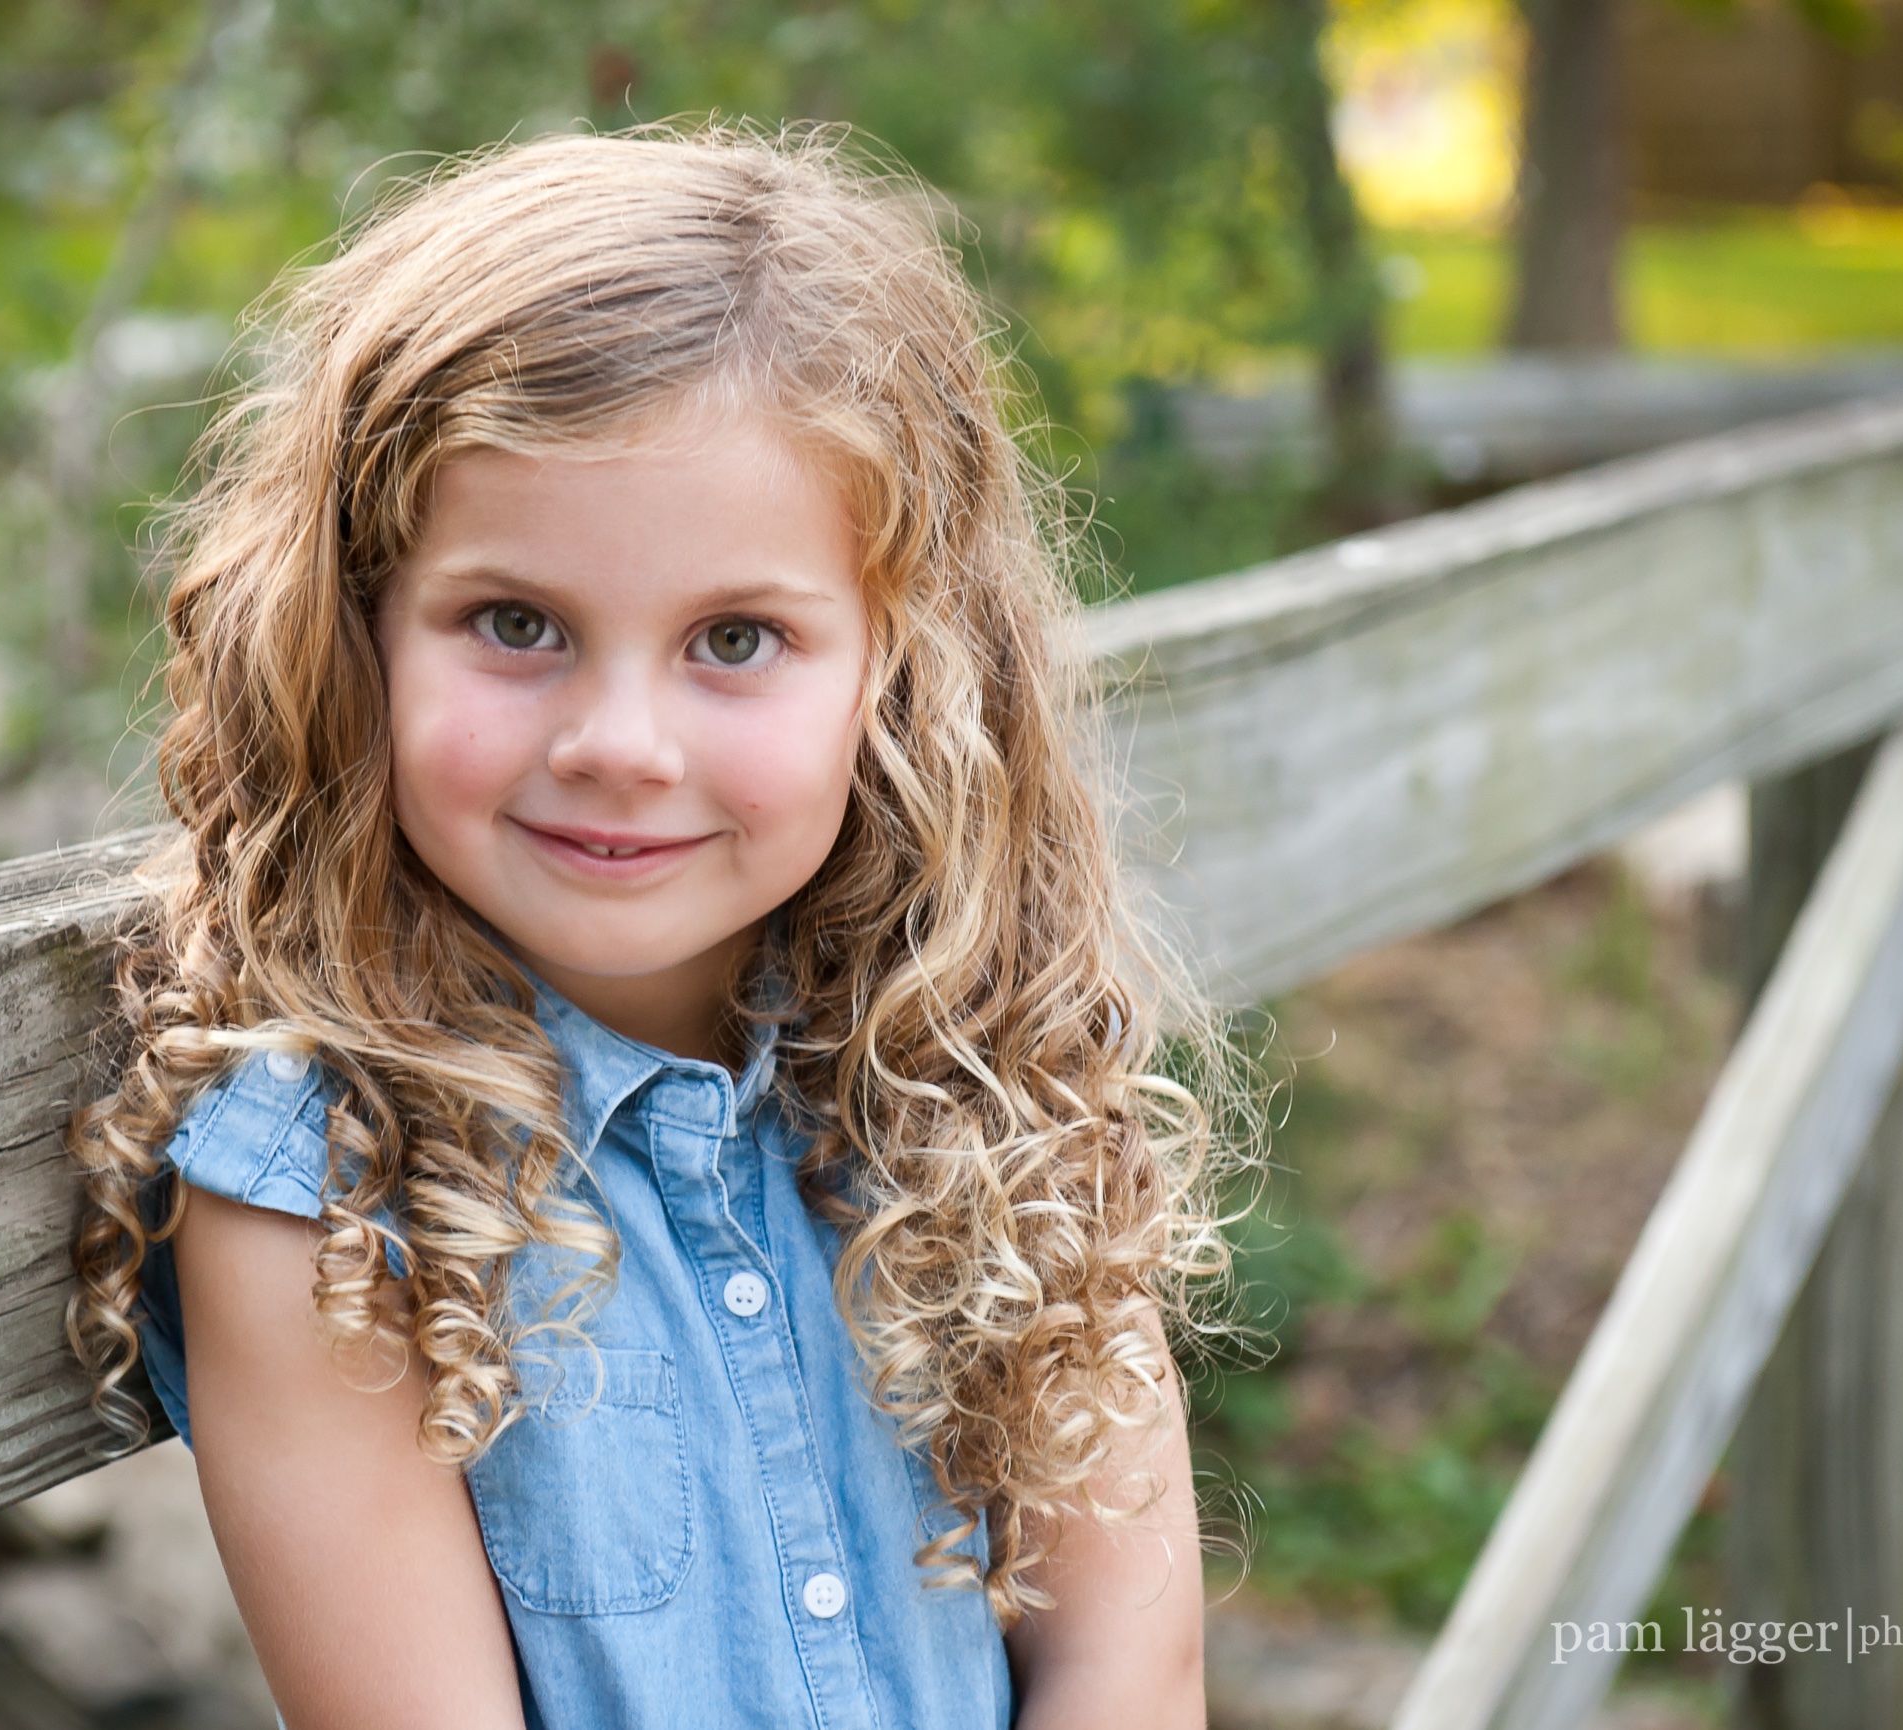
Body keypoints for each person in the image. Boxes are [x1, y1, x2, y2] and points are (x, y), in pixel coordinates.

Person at [63, 123, 1226, 1730]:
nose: (621, 741)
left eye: (735, 637)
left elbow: (1127, 1660)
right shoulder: (322, 1197)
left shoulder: (984, 1070)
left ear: (901, 663)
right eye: (516, 623)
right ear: (356, 628)